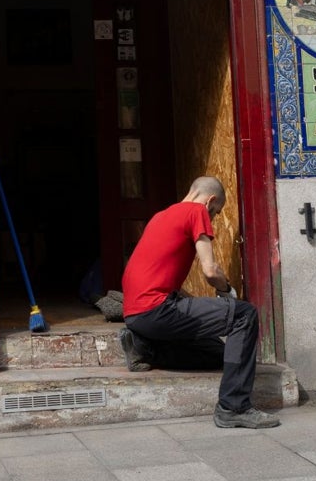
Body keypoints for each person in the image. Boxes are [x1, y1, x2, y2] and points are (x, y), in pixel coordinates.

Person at [120, 176, 281, 430]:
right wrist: (228, 291)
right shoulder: (197, 211)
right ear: (211, 201)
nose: (214, 218)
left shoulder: (160, 216)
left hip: (136, 316)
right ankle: (234, 407)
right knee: (244, 314)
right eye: (216, 213)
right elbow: (210, 270)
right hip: (158, 309)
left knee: (217, 352)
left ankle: (145, 349)